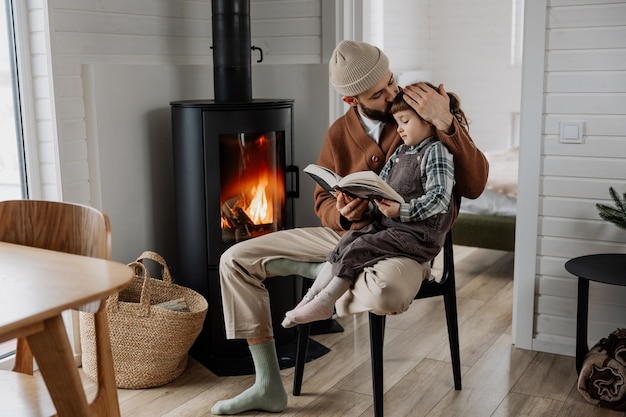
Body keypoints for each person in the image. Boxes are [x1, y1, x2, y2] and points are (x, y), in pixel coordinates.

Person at [211, 40, 488, 415]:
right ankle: (267, 384)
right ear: (352, 100)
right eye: (378, 92)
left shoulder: (421, 112)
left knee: (387, 294)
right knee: (234, 259)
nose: (392, 94)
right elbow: (322, 202)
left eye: (391, 80)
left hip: (403, 241)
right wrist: (343, 211)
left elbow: (473, 186)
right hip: (345, 234)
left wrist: (446, 122)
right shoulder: (339, 132)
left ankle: (328, 278)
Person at [281, 82, 466, 328]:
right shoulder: (401, 152)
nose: (398, 129)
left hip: (419, 235)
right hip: (392, 227)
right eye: (397, 122)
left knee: (362, 245)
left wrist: (402, 210)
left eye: (405, 121)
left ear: (430, 121)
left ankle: (326, 302)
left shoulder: (436, 153)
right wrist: (358, 201)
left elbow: (440, 198)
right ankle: (309, 299)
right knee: (348, 240)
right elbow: (381, 188)